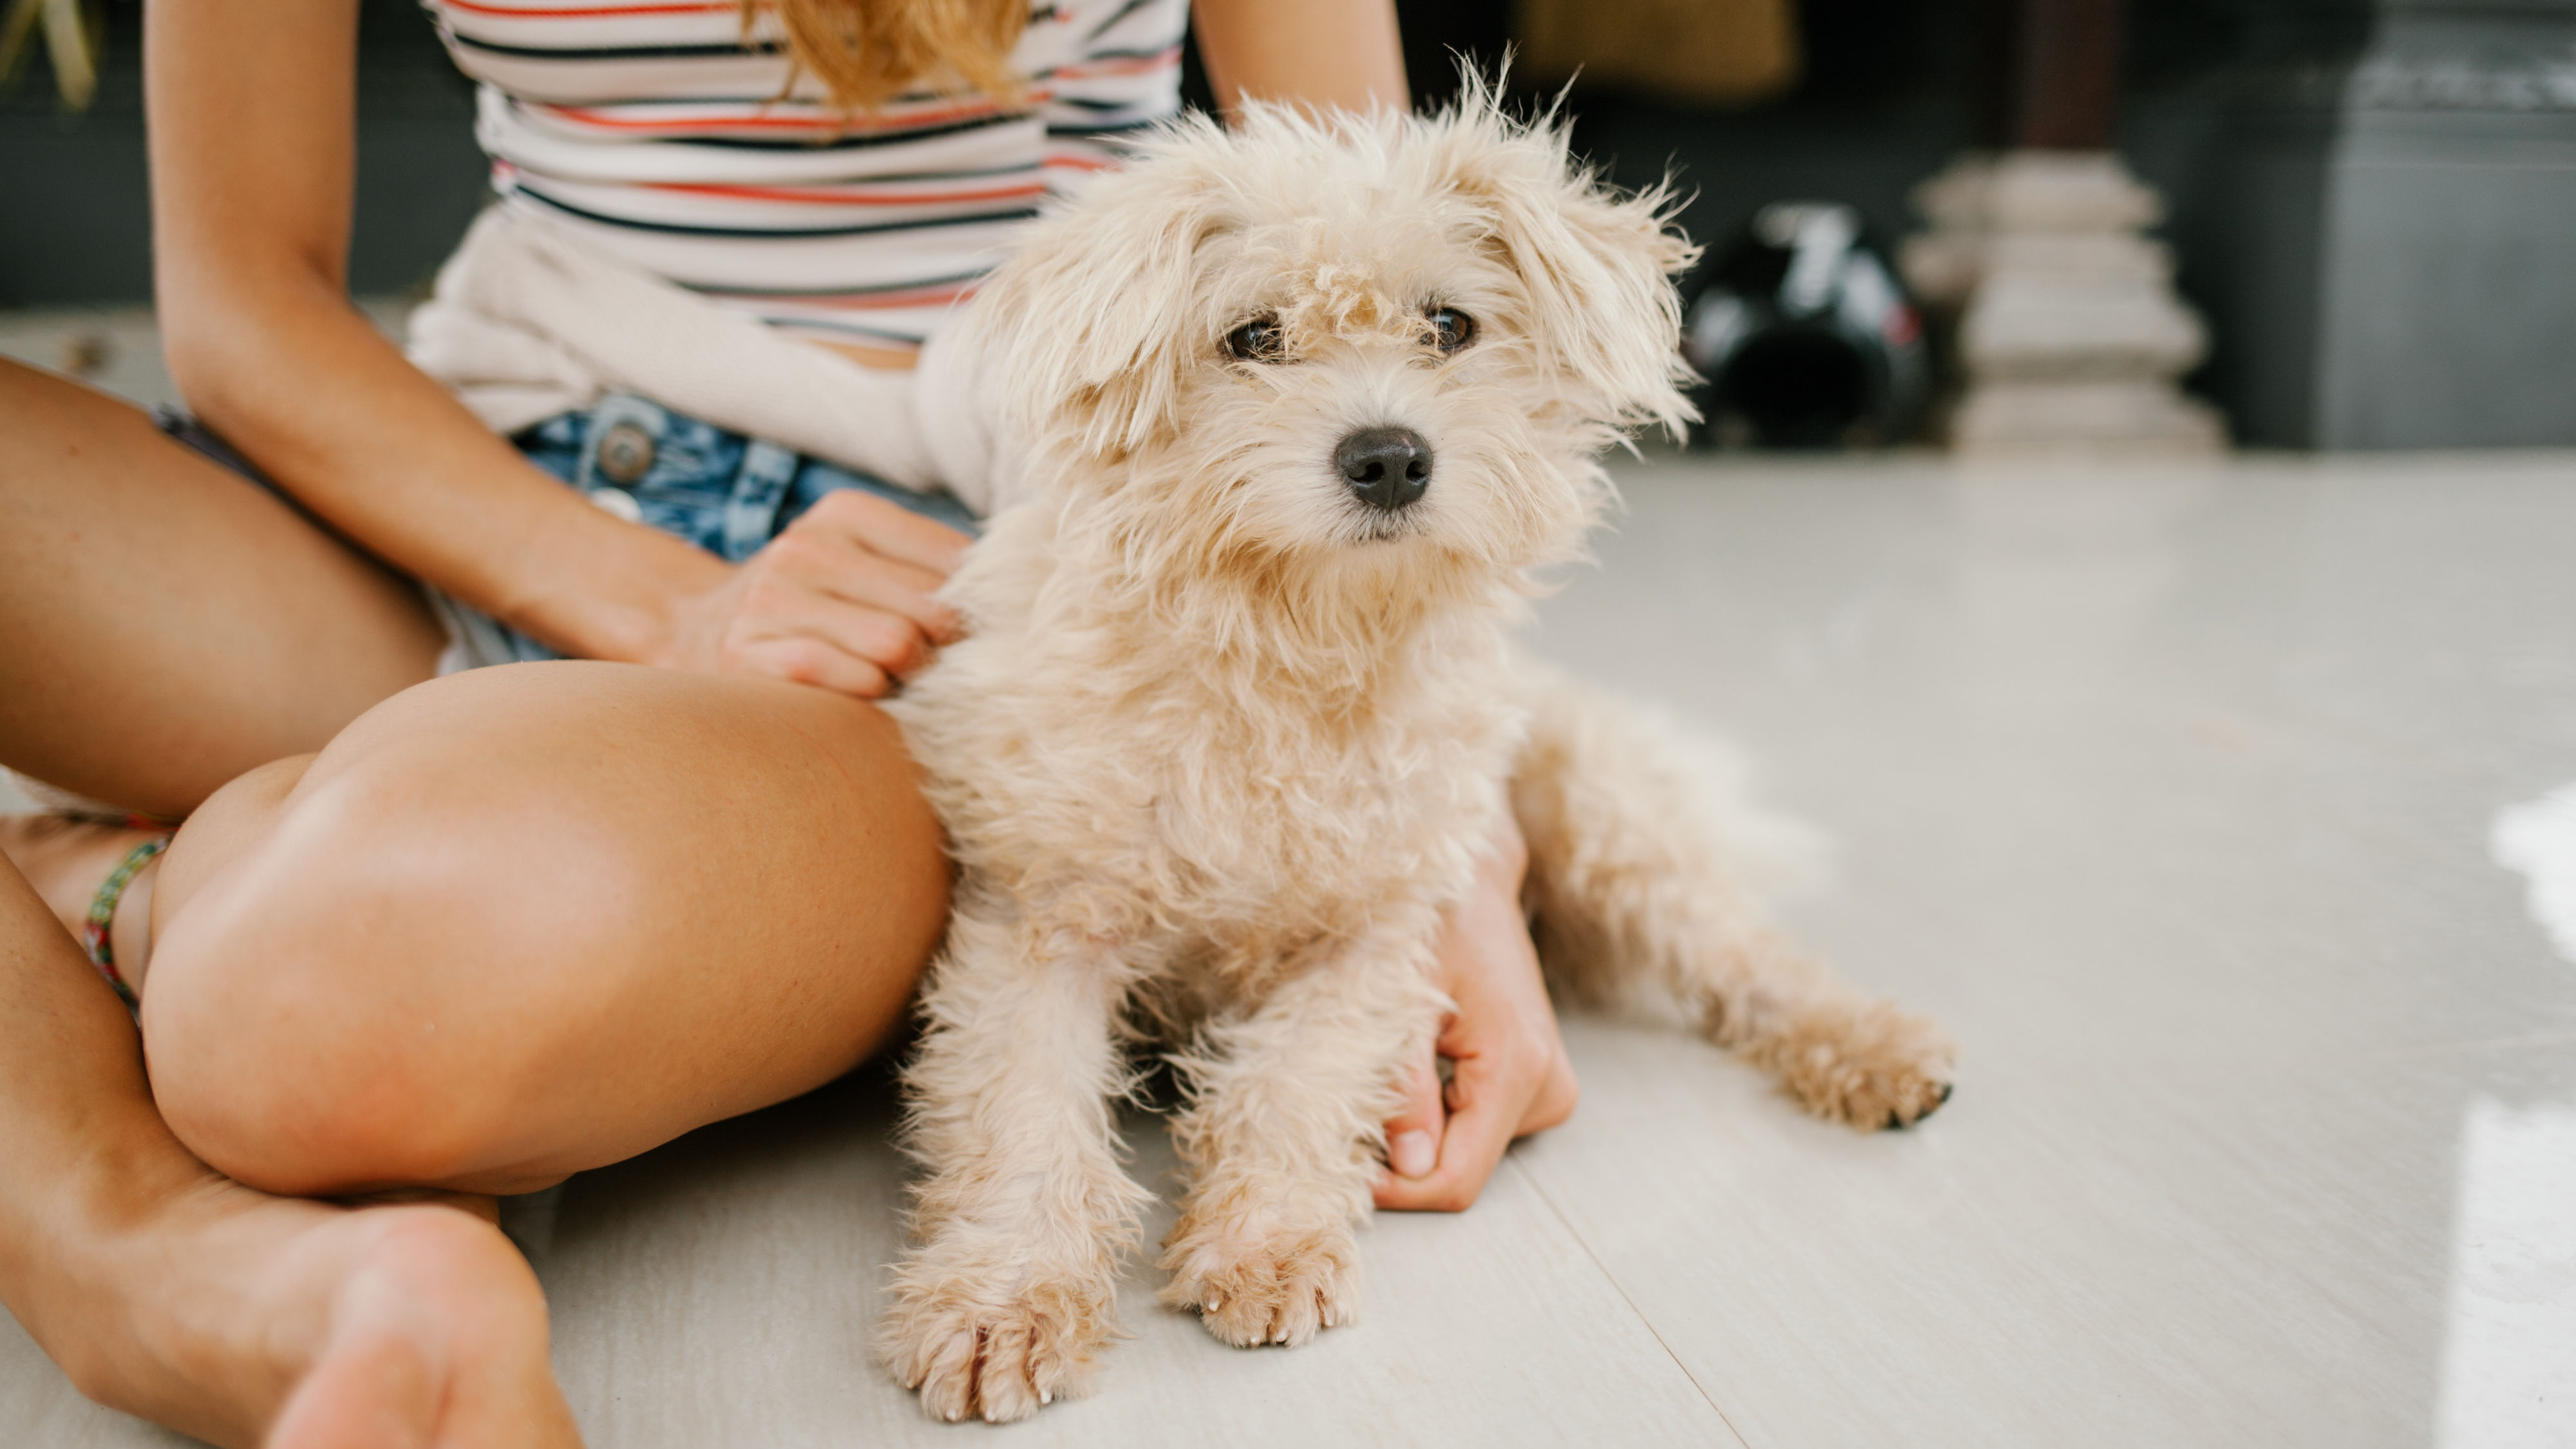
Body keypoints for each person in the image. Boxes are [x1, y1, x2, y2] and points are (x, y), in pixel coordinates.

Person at [0, 0, 1579, 1443]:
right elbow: (244, 295)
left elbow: (1379, 265)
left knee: (316, 1013)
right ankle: (138, 1106)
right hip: (464, 491)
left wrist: (1441, 848)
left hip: (957, 594)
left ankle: (165, 1196)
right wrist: (660, 600)